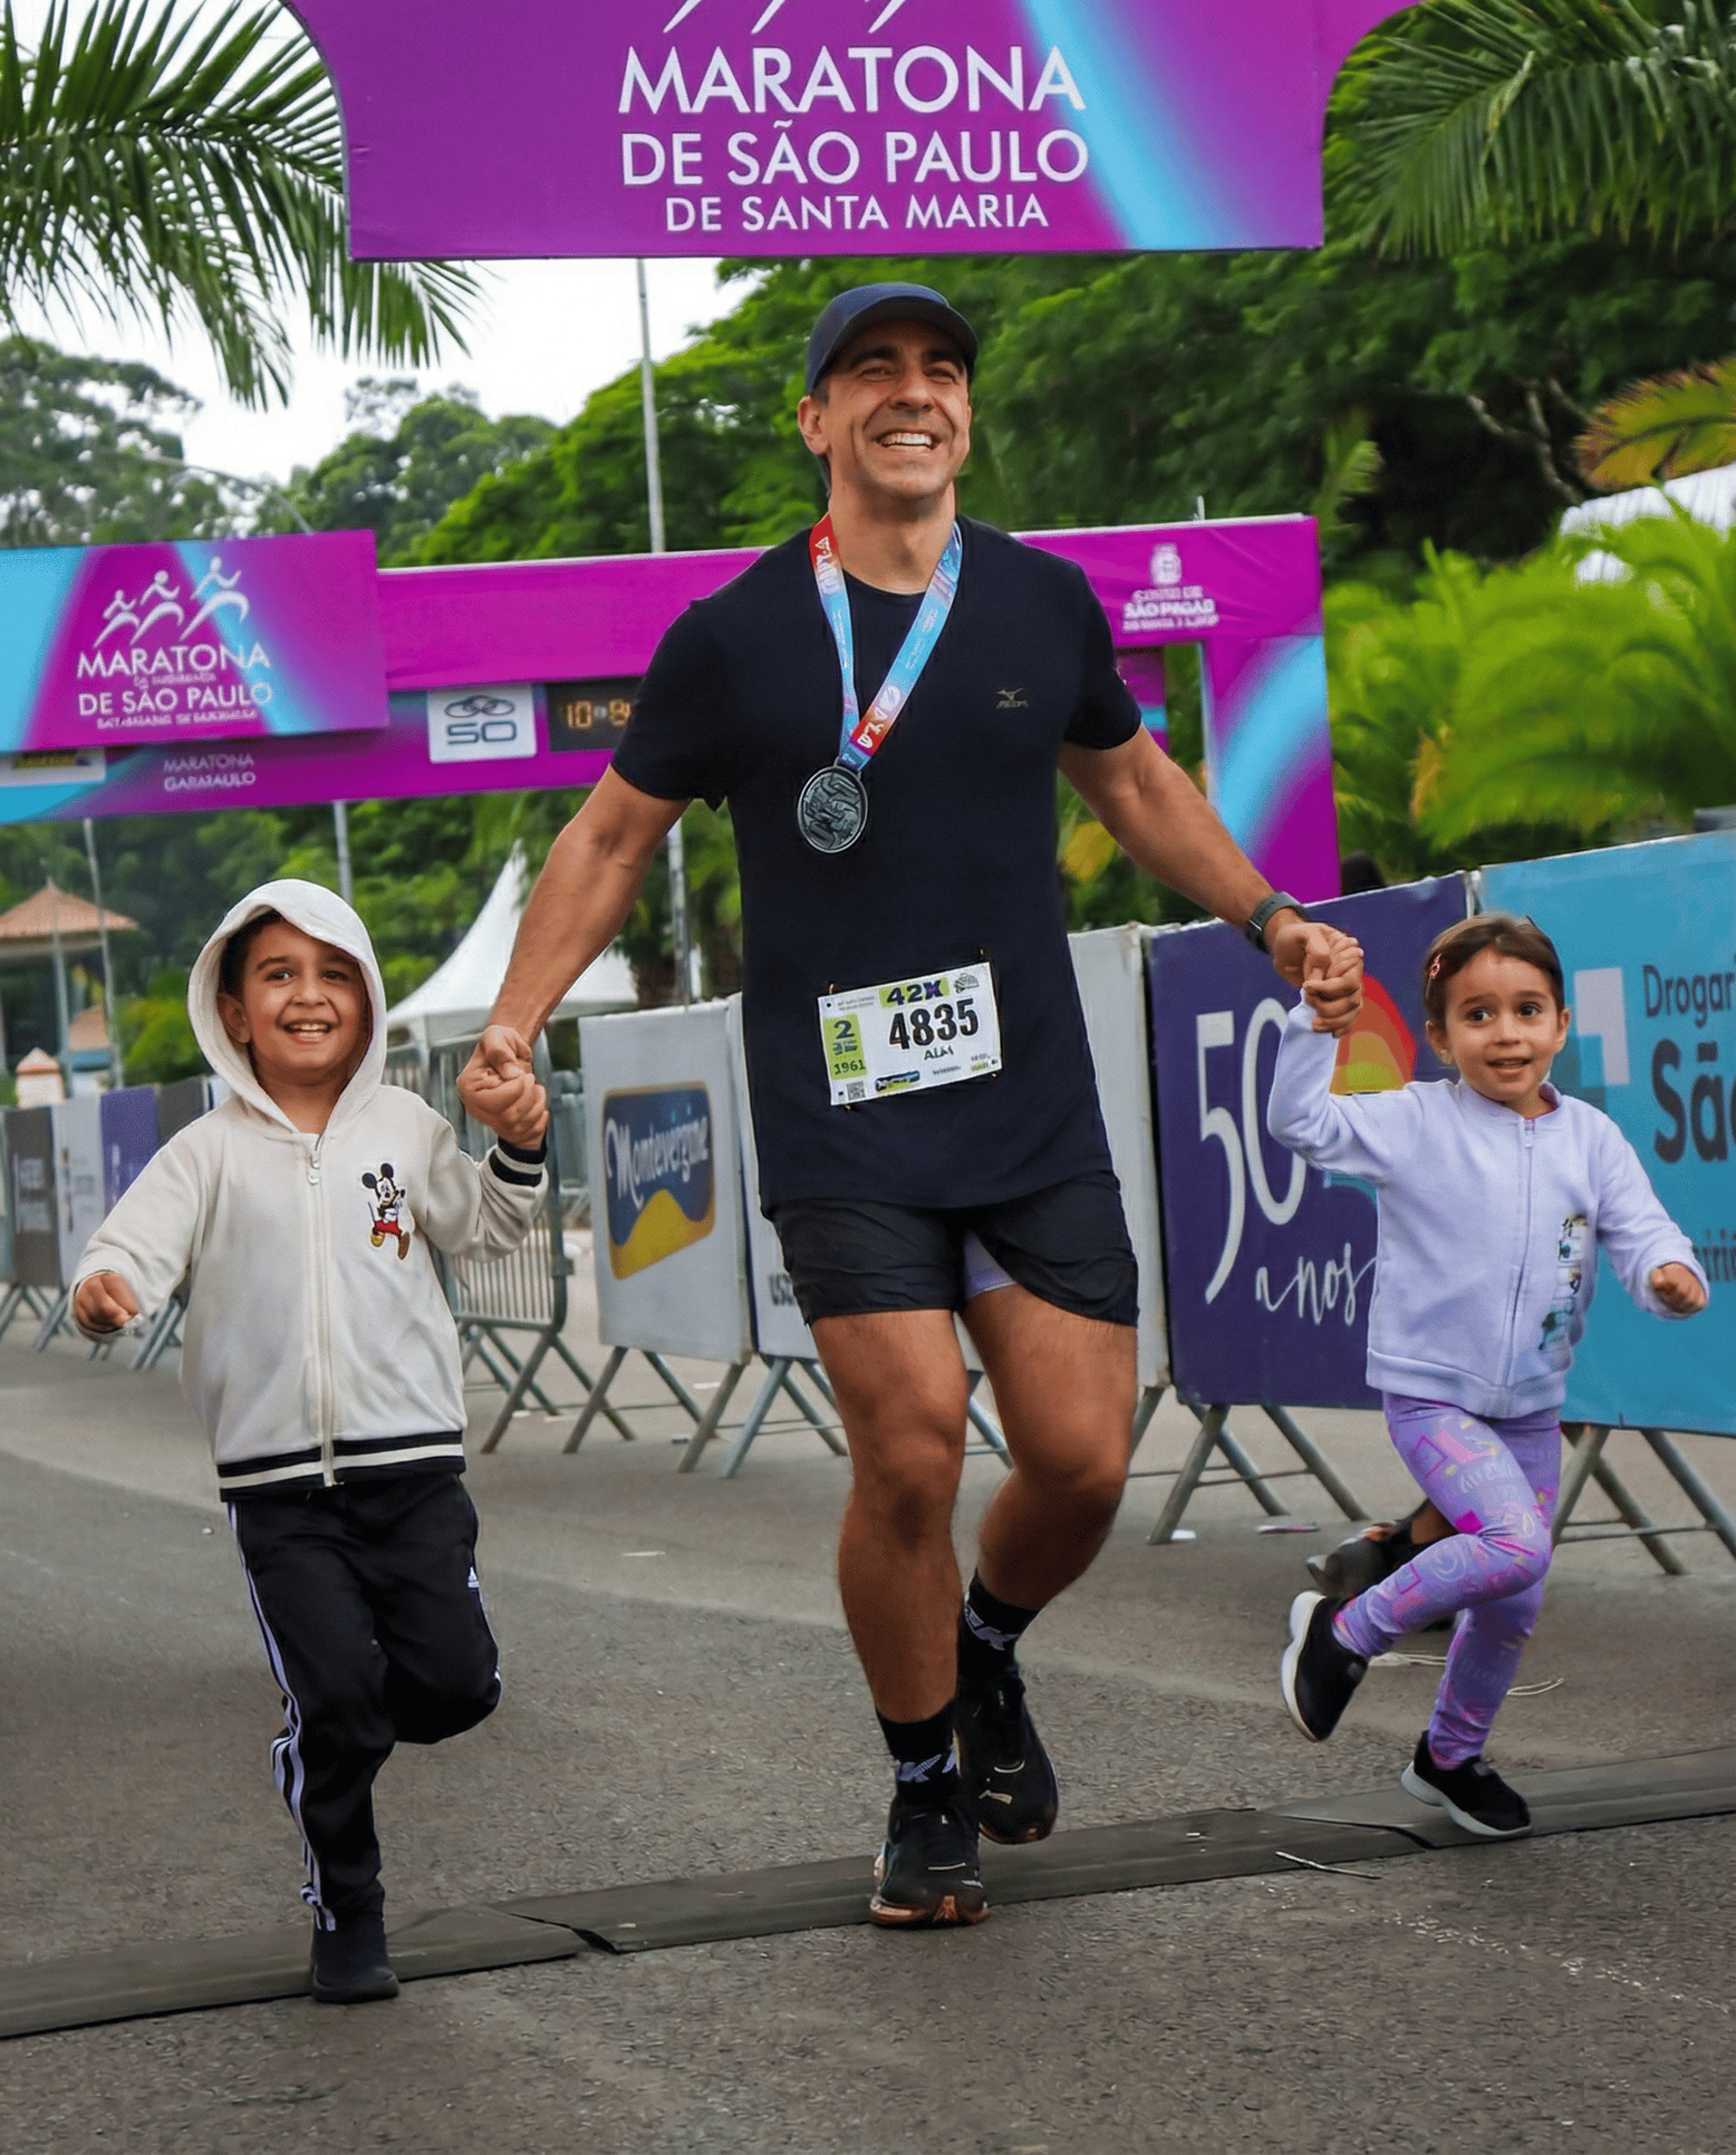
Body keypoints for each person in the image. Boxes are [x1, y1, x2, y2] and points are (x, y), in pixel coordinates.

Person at [458, 280, 1364, 1926]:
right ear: (816, 421)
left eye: (939, 368)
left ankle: (991, 1648)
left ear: (965, 414)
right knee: (912, 1450)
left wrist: (1271, 914)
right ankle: (925, 1776)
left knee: (1086, 1457)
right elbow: (607, 839)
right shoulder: (732, 637)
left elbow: (1138, 778)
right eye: (871, 370)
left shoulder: (1037, 604)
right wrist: (517, 1020)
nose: (912, 392)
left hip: (1026, 1105)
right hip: (843, 1117)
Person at [71, 880, 550, 2001]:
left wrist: (519, 1145)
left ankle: (342, 1718)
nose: (308, 996)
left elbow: (484, 1226)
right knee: (333, 1694)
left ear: (369, 1000)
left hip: (415, 1468)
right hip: (279, 1491)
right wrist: (107, 1287)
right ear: (233, 1011)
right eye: (278, 975)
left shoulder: (406, 1127)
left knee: (458, 1685)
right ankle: (348, 1901)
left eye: (334, 974)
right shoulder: (205, 1152)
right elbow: (128, 1247)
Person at [1269, 912, 1708, 1836]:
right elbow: (1299, 1121)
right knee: (1516, 1542)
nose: (1505, 1033)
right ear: (1440, 1037)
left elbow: (1643, 1232)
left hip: (1529, 1406)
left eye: (1527, 1009)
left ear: (1559, 1023)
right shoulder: (1416, 1122)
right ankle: (1344, 1631)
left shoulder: (1591, 1138)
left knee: (1514, 1600)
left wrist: (1673, 1279)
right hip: (1430, 1394)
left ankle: (1448, 1760)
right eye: (1477, 1015)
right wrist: (1316, 1026)